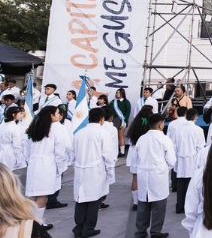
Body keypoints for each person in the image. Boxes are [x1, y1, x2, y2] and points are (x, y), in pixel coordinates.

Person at [72, 107, 115, 238]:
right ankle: (88, 228)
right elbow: (108, 155)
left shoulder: (79, 133)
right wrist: (110, 172)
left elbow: (73, 153)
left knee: (80, 199)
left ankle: (78, 228)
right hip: (96, 171)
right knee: (93, 201)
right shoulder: (103, 133)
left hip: (80, 169)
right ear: (102, 119)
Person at [24, 105, 68, 230]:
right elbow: (59, 151)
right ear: (51, 115)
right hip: (47, 164)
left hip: (34, 163)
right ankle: (38, 224)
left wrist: (30, 161)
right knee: (42, 195)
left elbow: (26, 149)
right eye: (58, 113)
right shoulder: (57, 128)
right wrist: (60, 168)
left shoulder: (34, 126)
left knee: (32, 195)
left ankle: (29, 222)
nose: (60, 115)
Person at [133, 114, 176, 238]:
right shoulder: (164, 139)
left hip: (143, 175)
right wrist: (163, 168)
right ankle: (155, 232)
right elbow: (172, 161)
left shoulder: (142, 138)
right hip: (158, 177)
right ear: (160, 124)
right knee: (159, 207)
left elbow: (136, 159)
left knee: (143, 206)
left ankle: (140, 232)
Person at [0, 163, 53, 238]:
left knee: (36, 195)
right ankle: (39, 217)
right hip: (45, 166)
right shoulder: (29, 229)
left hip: (34, 165)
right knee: (42, 195)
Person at [173, 108, 204, 214]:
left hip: (181, 159)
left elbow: (175, 146)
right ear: (196, 117)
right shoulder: (198, 130)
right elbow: (200, 148)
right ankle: (189, 208)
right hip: (193, 160)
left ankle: (179, 206)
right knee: (191, 186)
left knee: (181, 184)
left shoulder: (179, 130)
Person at [110, 88, 131, 156]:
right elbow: (109, 110)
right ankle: (114, 150)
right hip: (114, 120)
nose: (117, 93)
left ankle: (122, 152)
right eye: (116, 92)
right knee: (113, 136)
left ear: (122, 93)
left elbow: (128, 113)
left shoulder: (126, 102)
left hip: (122, 121)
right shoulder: (113, 101)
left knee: (121, 136)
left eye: (118, 92)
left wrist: (124, 122)